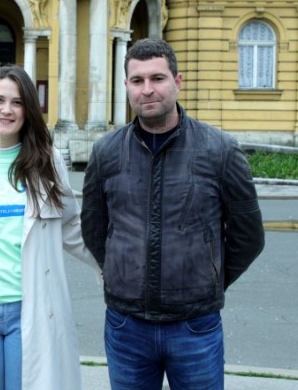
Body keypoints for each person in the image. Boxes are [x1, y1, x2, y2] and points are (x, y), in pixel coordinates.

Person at [81, 37, 265, 390]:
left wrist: (208, 279)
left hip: (195, 326)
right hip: (126, 326)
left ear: (177, 82)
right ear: (127, 86)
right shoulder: (105, 152)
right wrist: (121, 275)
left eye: (157, 78)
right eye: (137, 81)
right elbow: (94, 229)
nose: (147, 90)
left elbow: (249, 236)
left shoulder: (220, 151)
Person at [0, 64, 98, 390]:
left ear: (28, 110)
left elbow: (72, 226)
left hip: (33, 307)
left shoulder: (47, 161)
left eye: (17, 102)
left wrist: (119, 265)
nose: (6, 110)